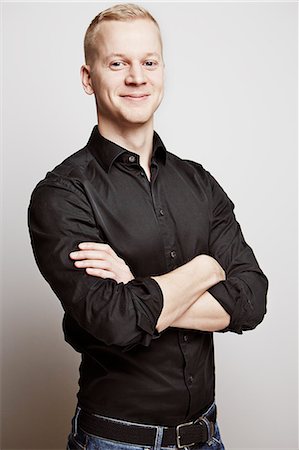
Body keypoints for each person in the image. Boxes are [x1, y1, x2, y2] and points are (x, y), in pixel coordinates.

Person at [28, 3, 268, 450]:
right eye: (118, 63)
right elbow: (114, 321)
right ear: (88, 78)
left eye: (149, 62)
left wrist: (134, 287)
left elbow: (252, 299)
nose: (137, 77)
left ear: (162, 70)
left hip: (207, 437)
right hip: (116, 442)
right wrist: (205, 269)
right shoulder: (62, 194)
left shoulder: (199, 182)